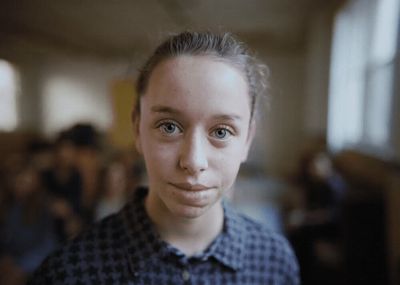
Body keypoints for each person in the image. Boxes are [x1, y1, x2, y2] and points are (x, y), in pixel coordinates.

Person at [28, 31, 299, 284]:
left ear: (247, 140)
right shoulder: (69, 272)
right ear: (137, 128)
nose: (193, 161)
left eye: (221, 131)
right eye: (169, 127)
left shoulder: (274, 261)